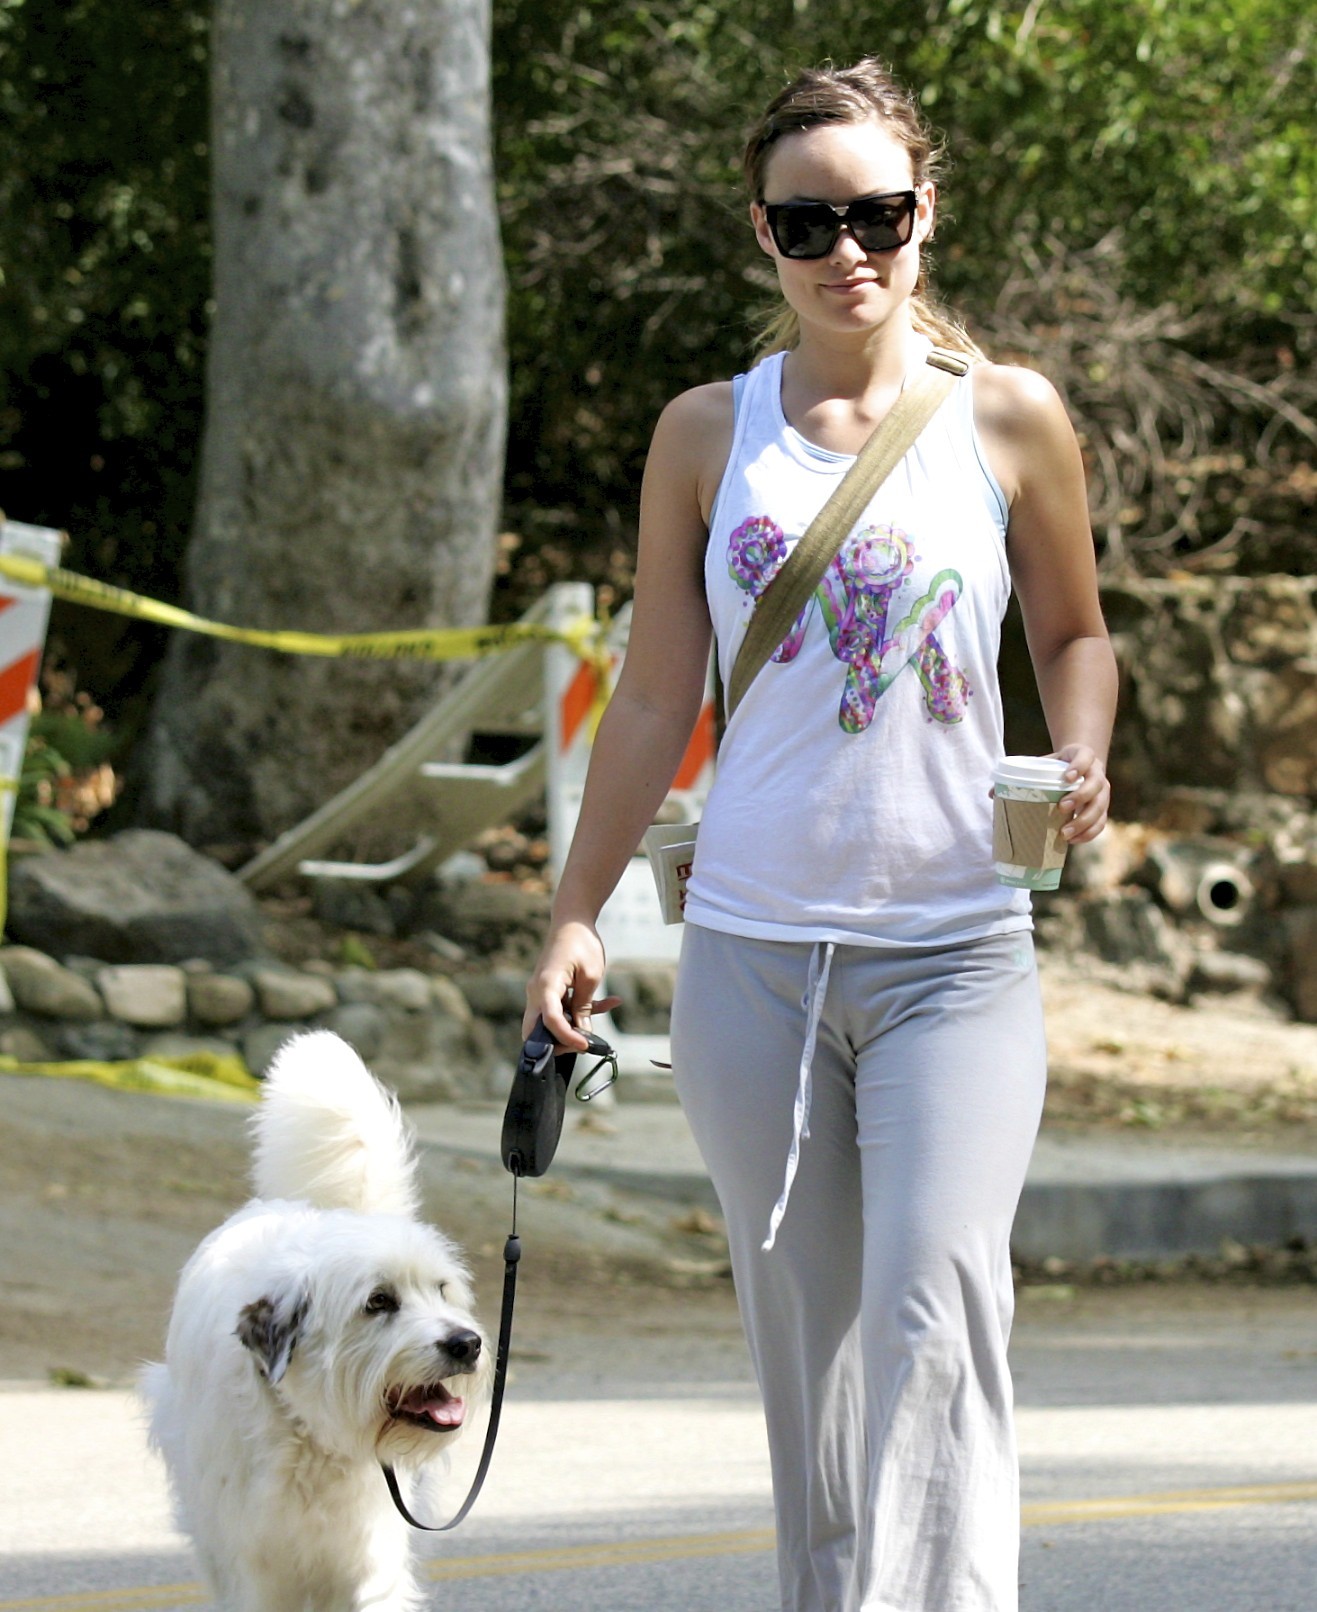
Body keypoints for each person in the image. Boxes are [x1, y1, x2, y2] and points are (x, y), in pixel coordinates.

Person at [525, 58, 1116, 1612]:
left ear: (926, 214)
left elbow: (1074, 635)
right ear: (760, 234)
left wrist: (1078, 754)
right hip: (753, 958)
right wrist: (575, 911)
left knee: (936, 1311)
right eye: (805, 223)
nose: (844, 250)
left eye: (876, 215)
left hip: (954, 952)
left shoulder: (1007, 416)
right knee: (809, 1351)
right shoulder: (701, 435)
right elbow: (655, 696)